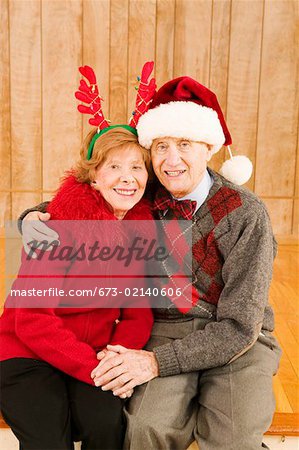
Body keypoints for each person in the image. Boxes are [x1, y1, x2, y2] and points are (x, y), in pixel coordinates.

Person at [16, 76, 281, 450]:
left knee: (233, 437)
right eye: (161, 147)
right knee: (143, 428)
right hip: (167, 329)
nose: (171, 160)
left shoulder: (245, 213)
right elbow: (91, 198)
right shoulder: (146, 193)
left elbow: (240, 325)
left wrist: (156, 364)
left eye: (184, 144)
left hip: (238, 339)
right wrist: (33, 216)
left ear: (208, 148)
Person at [0, 123, 155, 450]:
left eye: (136, 167)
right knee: (49, 439)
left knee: (106, 423)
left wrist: (116, 360)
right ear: (94, 176)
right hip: (27, 355)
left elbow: (137, 315)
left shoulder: (140, 230)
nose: (127, 177)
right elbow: (32, 321)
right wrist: (96, 370)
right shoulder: (54, 228)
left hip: (94, 355)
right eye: (114, 166)